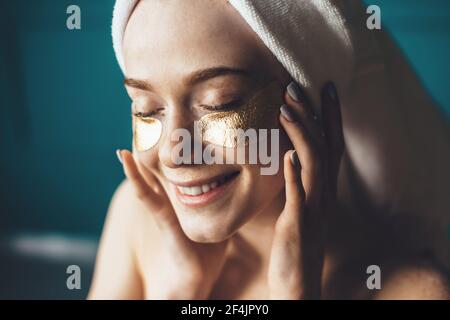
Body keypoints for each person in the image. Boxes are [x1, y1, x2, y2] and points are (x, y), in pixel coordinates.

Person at [88, 0, 450, 299]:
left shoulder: (411, 290)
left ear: (311, 108)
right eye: (146, 109)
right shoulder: (136, 220)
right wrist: (181, 290)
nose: (173, 152)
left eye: (220, 103)